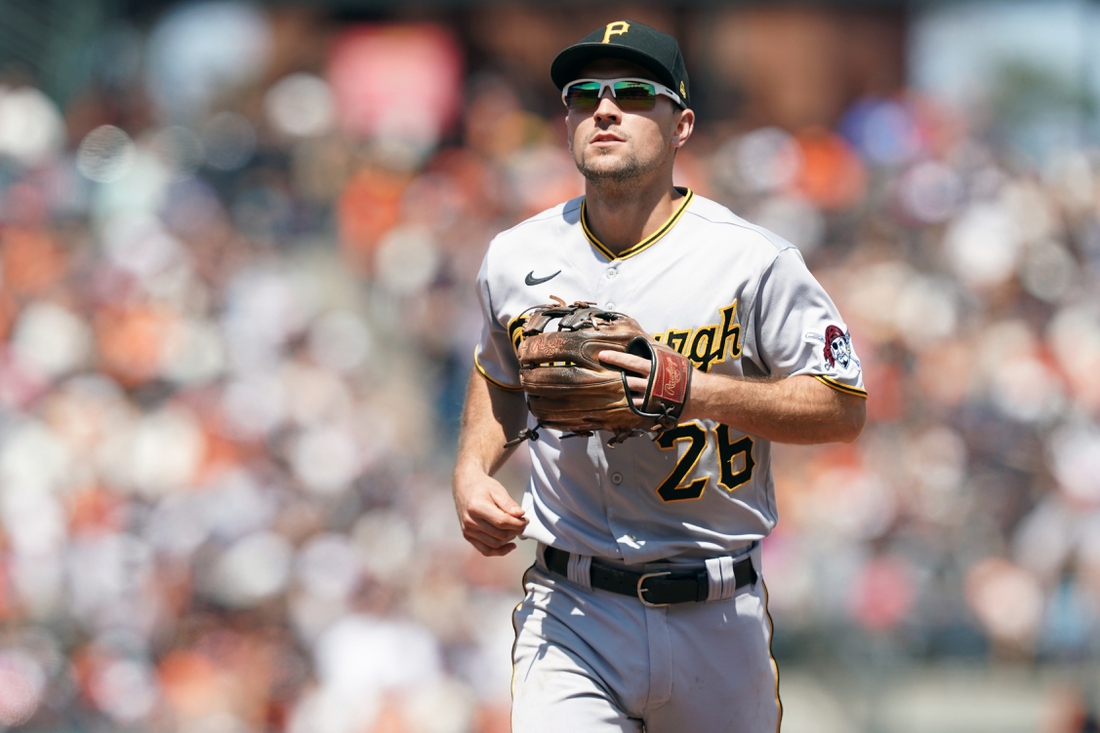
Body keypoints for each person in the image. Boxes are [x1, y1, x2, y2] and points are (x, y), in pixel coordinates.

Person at [452, 19, 867, 732]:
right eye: (585, 94)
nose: (605, 109)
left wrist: (692, 387)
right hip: (572, 607)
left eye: (635, 92)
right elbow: (500, 374)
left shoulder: (751, 259)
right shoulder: (516, 255)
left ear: (682, 125)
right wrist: (470, 468)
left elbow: (840, 407)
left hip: (716, 610)